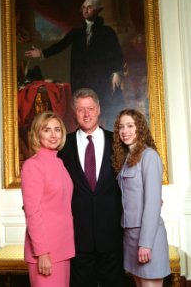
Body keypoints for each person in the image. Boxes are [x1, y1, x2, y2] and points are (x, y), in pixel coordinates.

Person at [58, 88, 125, 287]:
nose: (86, 114)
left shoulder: (118, 142)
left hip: (112, 234)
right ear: (74, 113)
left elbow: (132, 180)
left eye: (90, 108)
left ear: (98, 110)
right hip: (77, 236)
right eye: (81, 110)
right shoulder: (63, 146)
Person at [25, 0, 125, 129]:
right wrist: (42, 53)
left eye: (89, 7)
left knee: (102, 111)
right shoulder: (76, 32)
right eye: (83, 7)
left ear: (97, 10)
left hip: (101, 79)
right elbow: (60, 45)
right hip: (81, 79)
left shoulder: (107, 32)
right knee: (83, 111)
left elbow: (117, 53)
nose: (85, 10)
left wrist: (117, 72)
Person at [112, 109, 171, 287]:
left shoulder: (149, 156)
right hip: (130, 235)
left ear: (140, 128)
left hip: (147, 237)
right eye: (121, 127)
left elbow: (153, 203)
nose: (125, 131)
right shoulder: (126, 158)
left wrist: (145, 243)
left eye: (130, 125)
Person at [21, 111, 75, 287]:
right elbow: (32, 213)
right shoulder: (32, 165)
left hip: (63, 249)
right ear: (37, 133)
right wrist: (42, 253)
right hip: (45, 252)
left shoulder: (59, 163)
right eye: (47, 130)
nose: (53, 135)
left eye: (57, 129)